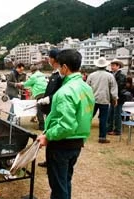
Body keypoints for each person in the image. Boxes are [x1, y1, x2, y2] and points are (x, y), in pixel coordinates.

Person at [37, 49, 95, 199]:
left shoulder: (65, 91)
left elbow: (66, 125)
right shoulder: (86, 88)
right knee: (65, 181)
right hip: (77, 143)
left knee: (58, 187)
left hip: (61, 144)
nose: (58, 70)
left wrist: (48, 135)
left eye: (59, 67)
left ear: (64, 67)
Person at [37, 49, 63, 168]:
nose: (48, 60)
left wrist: (49, 99)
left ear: (53, 59)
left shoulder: (60, 74)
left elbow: (61, 92)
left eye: (49, 57)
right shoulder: (54, 73)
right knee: (48, 133)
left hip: (54, 108)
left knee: (52, 136)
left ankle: (51, 161)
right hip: (49, 109)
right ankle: (49, 160)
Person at [86, 57, 118, 143]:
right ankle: (102, 137)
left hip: (92, 99)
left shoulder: (91, 75)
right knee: (103, 119)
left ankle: (81, 133)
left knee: (88, 116)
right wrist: (114, 99)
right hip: (104, 100)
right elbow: (113, 89)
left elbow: (86, 87)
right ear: (105, 66)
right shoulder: (110, 76)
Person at [20, 63, 47, 130]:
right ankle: (47, 124)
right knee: (46, 110)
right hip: (47, 93)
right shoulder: (42, 75)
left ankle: (42, 126)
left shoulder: (33, 76)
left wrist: (20, 84)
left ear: (32, 71)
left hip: (39, 94)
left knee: (39, 110)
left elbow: (26, 84)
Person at [107, 59, 127, 136]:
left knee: (117, 114)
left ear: (118, 66)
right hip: (114, 97)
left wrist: (115, 96)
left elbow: (119, 87)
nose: (112, 67)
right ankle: (109, 128)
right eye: (111, 65)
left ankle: (117, 130)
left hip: (118, 97)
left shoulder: (121, 75)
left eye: (113, 65)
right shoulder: (112, 74)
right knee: (111, 113)